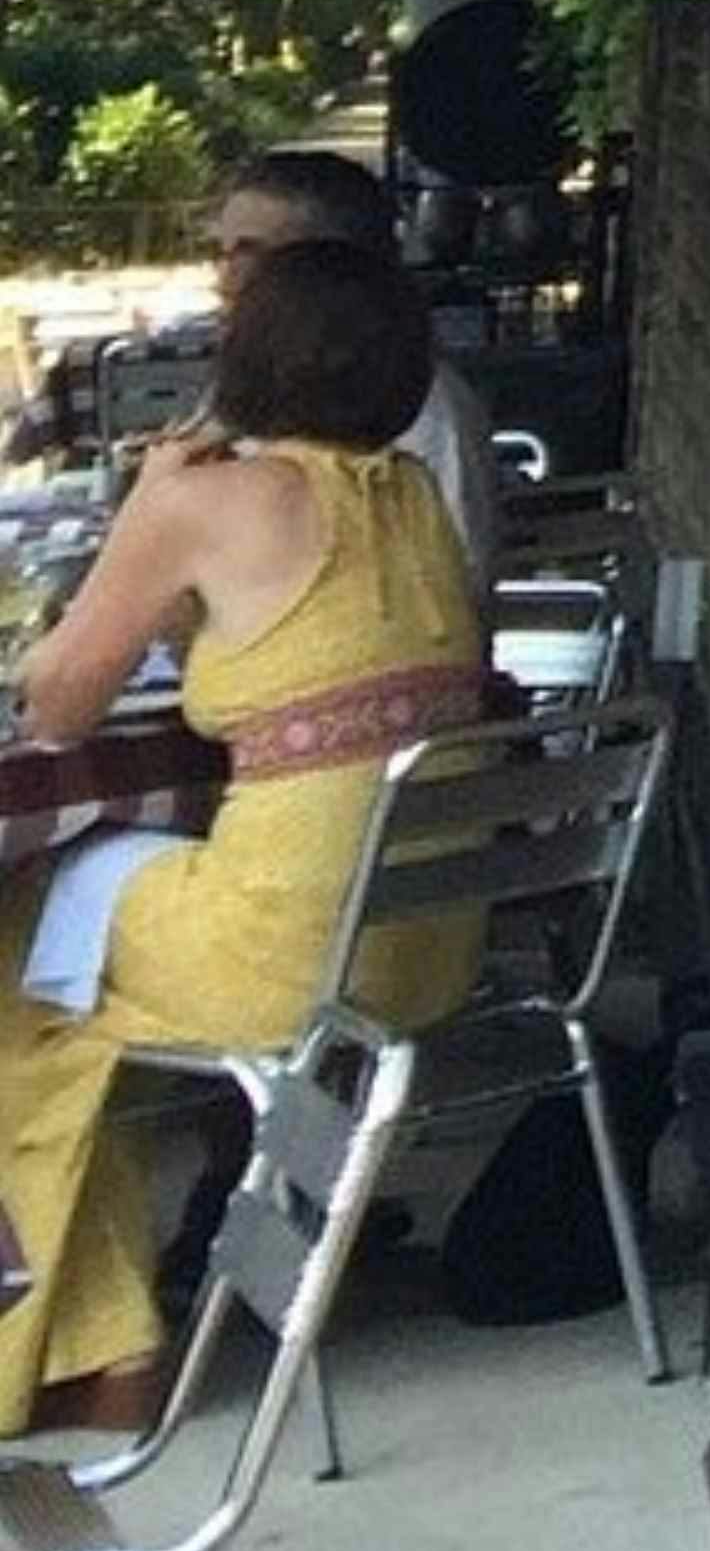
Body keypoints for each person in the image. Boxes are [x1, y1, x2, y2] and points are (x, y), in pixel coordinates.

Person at [0, 234, 497, 1429]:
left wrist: (144, 512)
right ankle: (103, 1339)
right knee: (60, 960)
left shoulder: (203, 496)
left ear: (247, 353)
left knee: (16, 956)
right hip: (427, 941)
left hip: (291, 952)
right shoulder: (412, 497)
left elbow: (57, 702)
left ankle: (93, 1350)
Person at [209, 151, 500, 607]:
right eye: (221, 257)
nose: (225, 284)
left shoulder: (418, 411)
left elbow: (453, 598)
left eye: (253, 259)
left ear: (336, 272)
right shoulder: (256, 386)